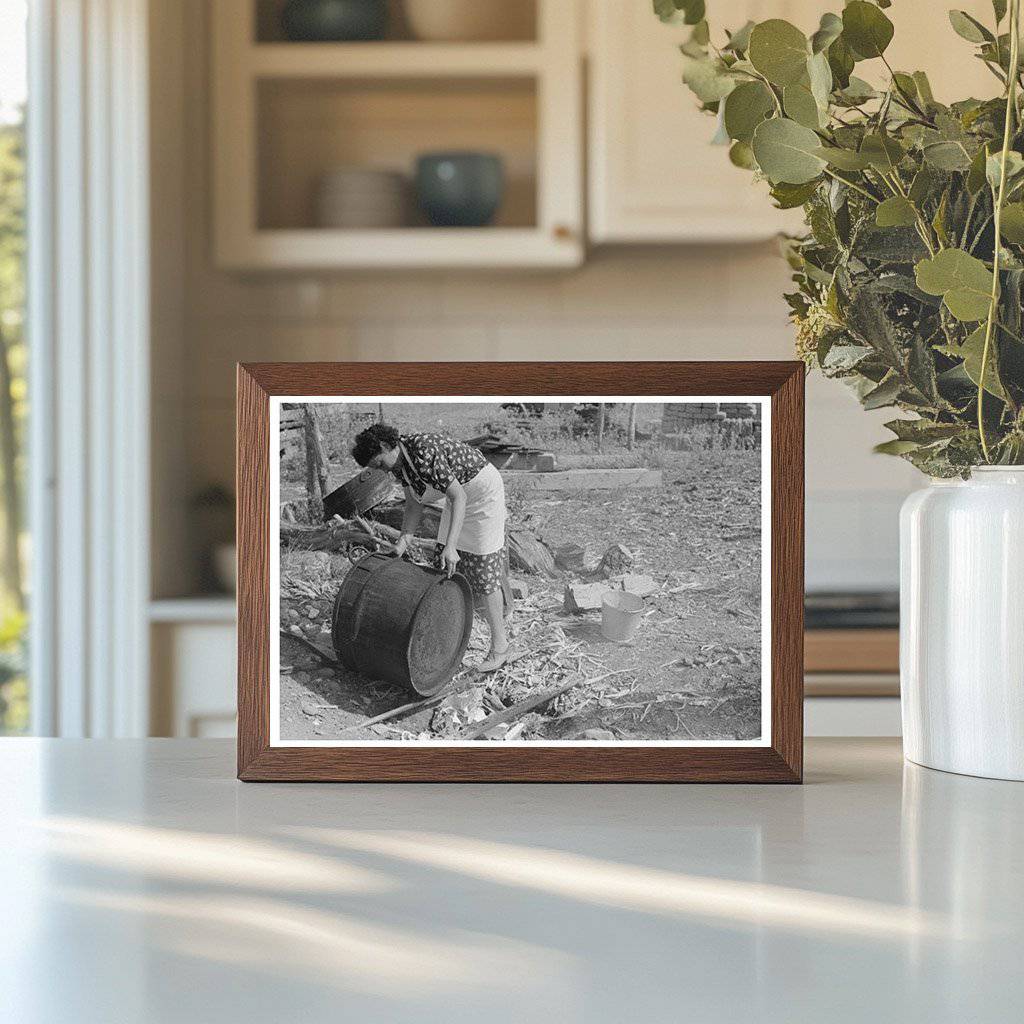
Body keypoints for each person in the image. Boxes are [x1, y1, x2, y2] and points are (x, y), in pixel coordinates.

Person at [351, 423, 510, 671]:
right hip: (458, 497)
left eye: (380, 463)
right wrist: (404, 539)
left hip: (481, 495)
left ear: (385, 446)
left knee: (483, 573)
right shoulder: (400, 464)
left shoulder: (423, 450)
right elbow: (414, 502)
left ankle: (500, 646)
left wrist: (452, 546)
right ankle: (449, 636)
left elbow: (459, 496)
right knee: (442, 566)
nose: (382, 470)